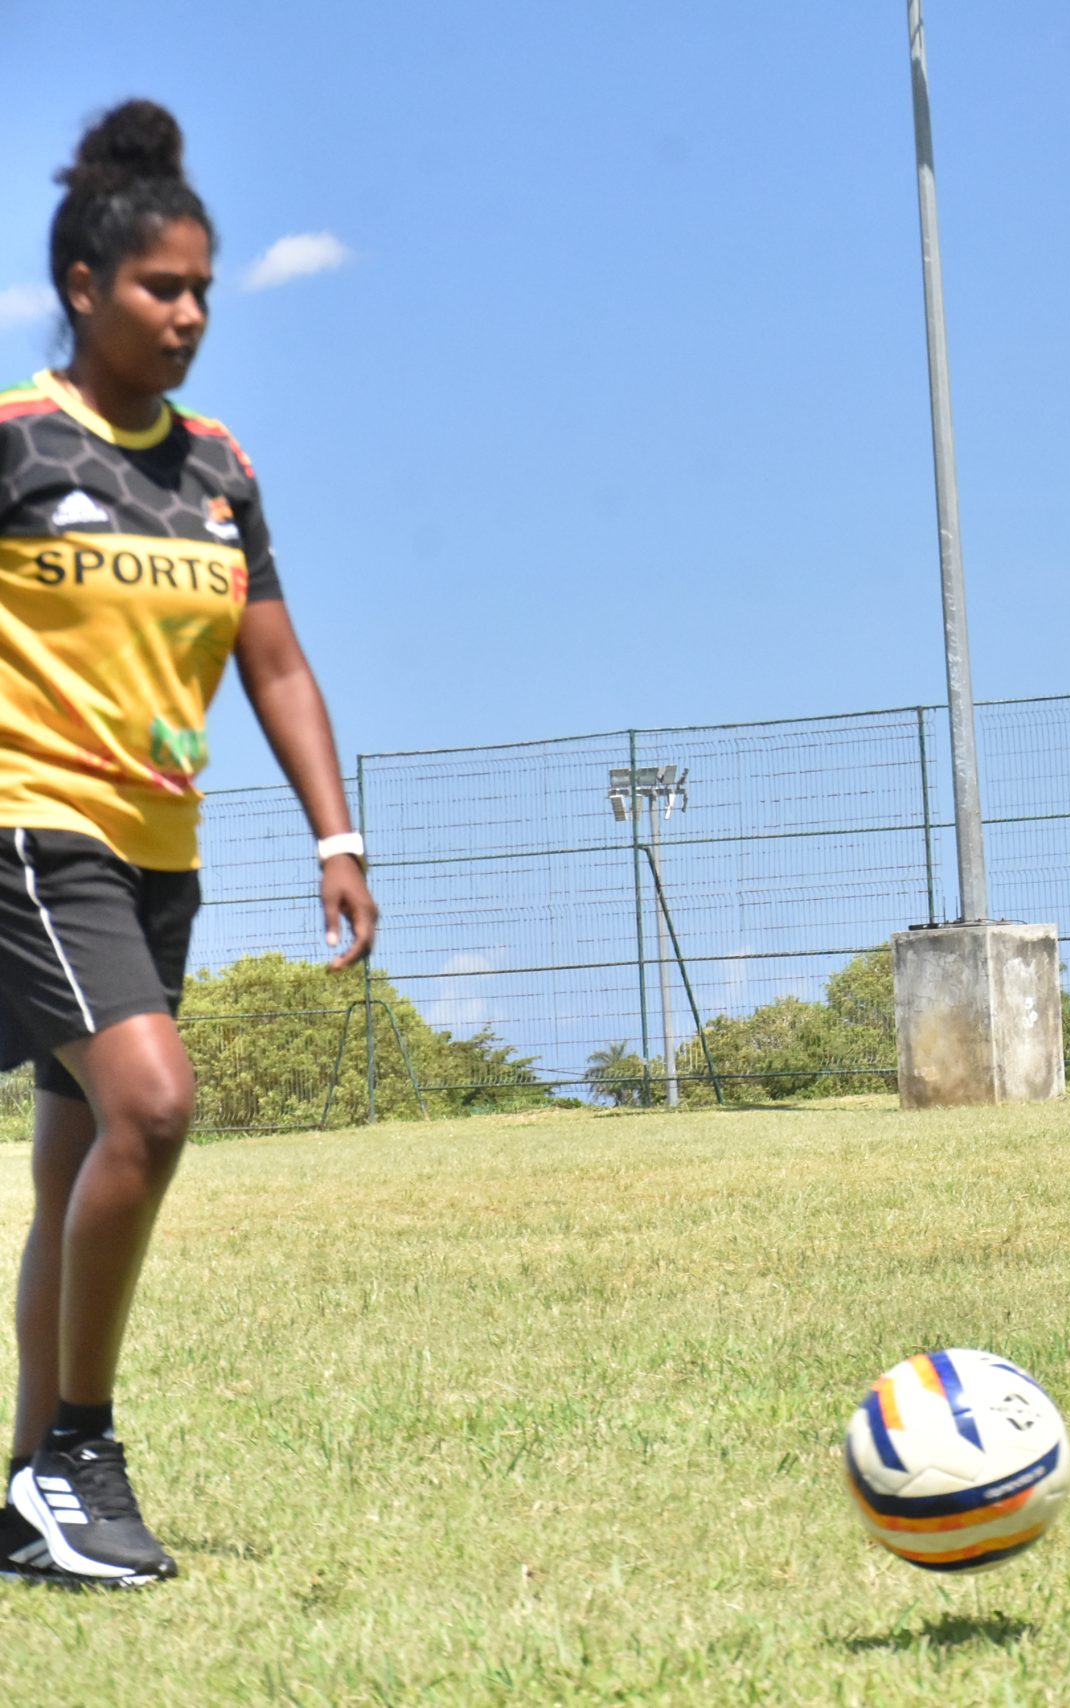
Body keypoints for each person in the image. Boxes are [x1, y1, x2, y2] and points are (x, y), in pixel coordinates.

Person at [0, 102, 377, 1586]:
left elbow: (274, 662)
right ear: (84, 285)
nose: (192, 314)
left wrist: (337, 835)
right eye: (163, 286)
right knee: (153, 1108)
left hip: (161, 857)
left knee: (76, 1167)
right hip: (34, 832)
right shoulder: (19, 445)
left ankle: (29, 1492)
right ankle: (79, 1451)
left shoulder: (218, 472)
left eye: (206, 288)